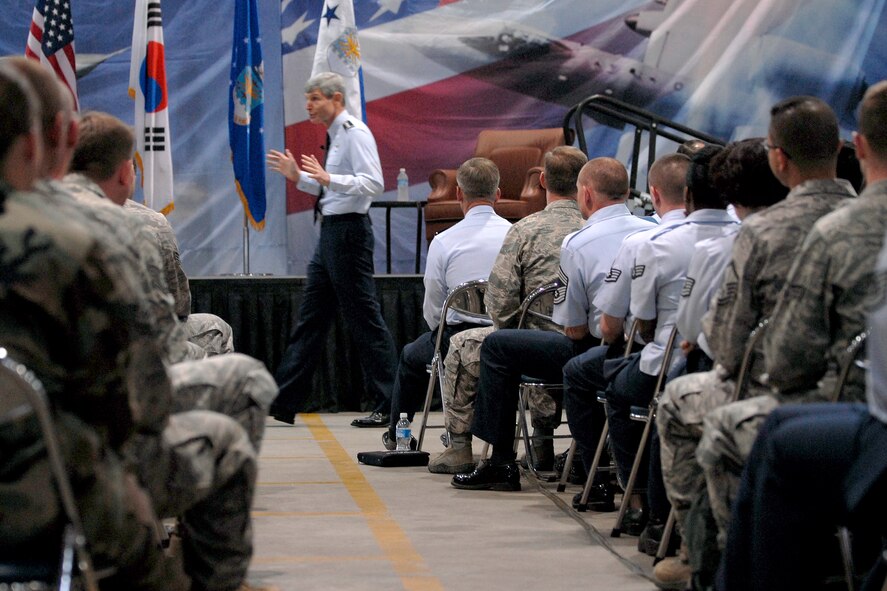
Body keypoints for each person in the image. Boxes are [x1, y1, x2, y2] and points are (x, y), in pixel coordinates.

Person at [653, 97, 856, 590]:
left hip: (795, 400)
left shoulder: (763, 232)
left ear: (779, 159)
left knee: (681, 402)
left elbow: (726, 342)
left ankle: (712, 560)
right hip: (870, 395)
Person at [450, 157, 654, 491]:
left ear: (585, 194)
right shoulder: (654, 232)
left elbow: (569, 328)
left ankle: (501, 461)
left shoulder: (576, 241)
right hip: (644, 349)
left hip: (593, 351)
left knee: (499, 346)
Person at [428, 146, 587, 473]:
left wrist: (516, 328)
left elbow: (499, 301)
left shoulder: (524, 230)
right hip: (593, 344)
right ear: (583, 184)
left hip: (537, 348)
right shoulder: (594, 229)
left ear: (542, 180)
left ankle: (461, 447)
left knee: (462, 345)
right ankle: (543, 443)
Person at [267, 72, 398, 426]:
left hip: (349, 236)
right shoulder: (336, 134)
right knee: (310, 319)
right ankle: (282, 403)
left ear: (336, 98)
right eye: (307, 98)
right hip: (331, 236)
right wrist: (301, 178)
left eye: (315, 99)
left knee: (364, 319)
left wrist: (327, 178)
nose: (308, 106)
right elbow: (335, 190)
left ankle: (393, 404)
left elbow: (373, 183)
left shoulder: (355, 132)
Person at [562, 152, 689, 512]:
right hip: (711, 359)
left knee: (592, 376)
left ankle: (625, 493)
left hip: (656, 362)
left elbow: (606, 325)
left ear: (654, 193)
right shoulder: (724, 235)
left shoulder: (641, 244)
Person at [381, 157, 512, 449]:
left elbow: (433, 306)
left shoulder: (444, 241)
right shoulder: (515, 236)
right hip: (506, 340)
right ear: (498, 195)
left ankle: (396, 434)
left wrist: (440, 334)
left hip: (455, 340)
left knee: (409, 356)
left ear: (458, 195)